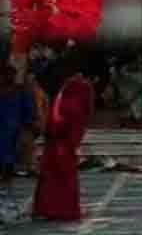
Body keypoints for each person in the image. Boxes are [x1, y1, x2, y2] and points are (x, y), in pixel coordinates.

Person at [33, 53, 94, 222]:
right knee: (56, 175)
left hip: (63, 138)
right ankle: (53, 209)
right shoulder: (68, 87)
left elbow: (76, 114)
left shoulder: (78, 87)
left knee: (59, 175)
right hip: (58, 138)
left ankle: (59, 210)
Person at [0, 66, 32, 222]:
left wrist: (24, 138)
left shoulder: (21, 94)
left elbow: (28, 118)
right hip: (7, 139)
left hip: (11, 141)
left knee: (7, 175)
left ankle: (7, 208)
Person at [16, 72, 47, 177]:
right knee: (27, 143)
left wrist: (39, 121)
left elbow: (41, 108)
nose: (29, 82)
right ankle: (29, 165)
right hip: (31, 122)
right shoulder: (29, 92)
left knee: (27, 142)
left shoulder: (35, 92)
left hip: (33, 123)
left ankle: (30, 166)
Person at [116, 57, 142, 125]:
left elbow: (141, 88)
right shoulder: (127, 75)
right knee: (125, 118)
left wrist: (132, 98)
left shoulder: (140, 75)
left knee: (138, 117)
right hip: (129, 100)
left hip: (136, 101)